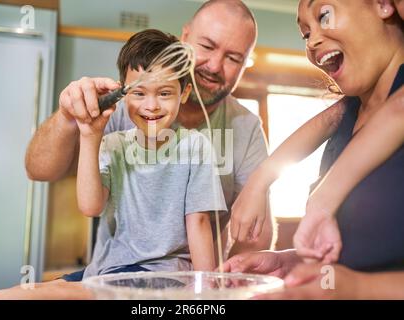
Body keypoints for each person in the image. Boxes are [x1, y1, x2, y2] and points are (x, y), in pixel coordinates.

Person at [25, 0, 274, 263]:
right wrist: (68, 118)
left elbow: (255, 232)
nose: (213, 65)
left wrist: (220, 288)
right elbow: (39, 170)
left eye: (233, 58)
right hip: (113, 275)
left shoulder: (246, 129)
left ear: (246, 63)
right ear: (185, 37)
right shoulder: (117, 113)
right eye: (207, 46)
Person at [225, 0, 404, 299]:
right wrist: (290, 263)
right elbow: (361, 252)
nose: (313, 41)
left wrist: (358, 289)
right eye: (305, 34)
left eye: (325, 15)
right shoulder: (344, 123)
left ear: (384, 4)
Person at [76, 29, 226, 276]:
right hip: (110, 271)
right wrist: (89, 136)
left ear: (184, 93)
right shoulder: (112, 145)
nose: (152, 105)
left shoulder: (195, 146)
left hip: (169, 274)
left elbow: (198, 222)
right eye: (139, 93)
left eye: (165, 93)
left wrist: (206, 289)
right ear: (123, 94)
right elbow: (91, 207)